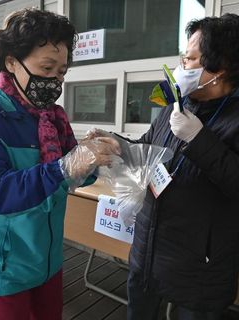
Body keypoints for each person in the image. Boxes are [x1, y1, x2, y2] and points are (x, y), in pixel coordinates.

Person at [0, 8, 120, 320]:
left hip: (46, 256)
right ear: (11, 61)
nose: (55, 80)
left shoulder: (52, 117)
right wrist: (65, 166)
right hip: (0, 263)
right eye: (46, 68)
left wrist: (94, 154)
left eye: (61, 72)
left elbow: (76, 177)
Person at [119, 13, 239, 320]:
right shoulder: (176, 103)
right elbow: (145, 147)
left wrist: (200, 140)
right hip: (148, 249)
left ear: (220, 66)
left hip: (199, 267)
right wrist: (114, 145)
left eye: (189, 59)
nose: (180, 67)